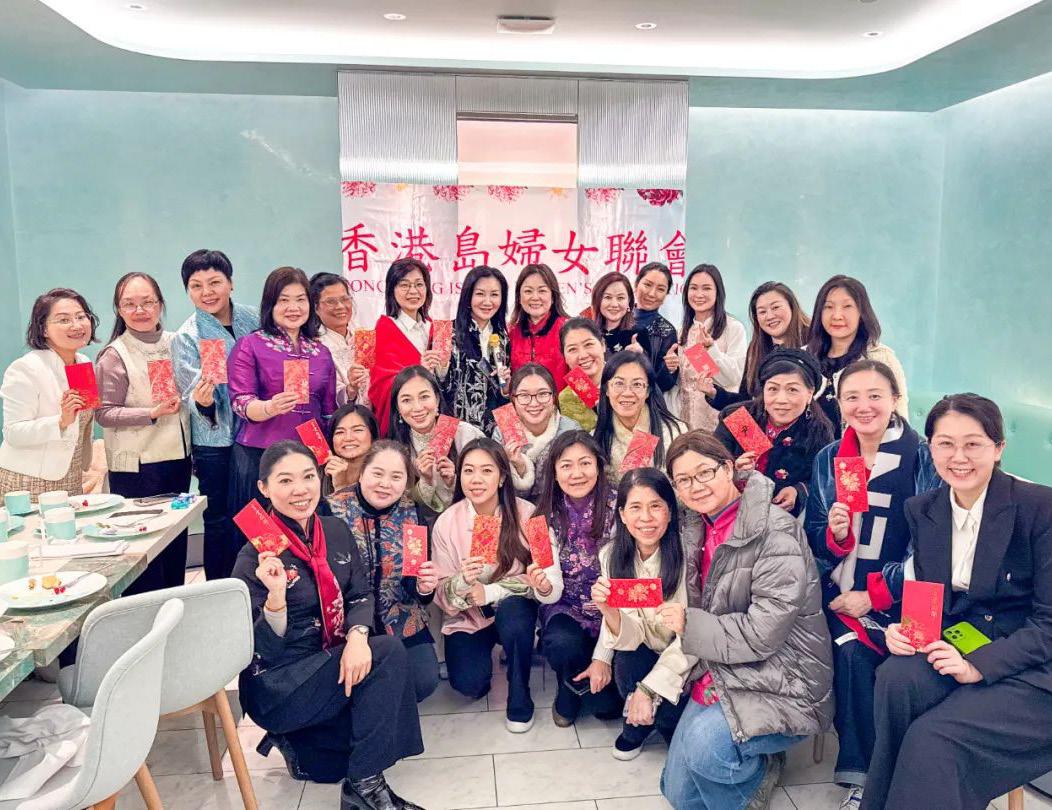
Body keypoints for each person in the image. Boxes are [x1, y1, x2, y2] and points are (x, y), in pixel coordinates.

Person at [862, 394, 1052, 810]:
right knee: (896, 679)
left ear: (998, 448)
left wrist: (978, 665)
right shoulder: (924, 509)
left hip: (1034, 664)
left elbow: (1049, 625)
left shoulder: (1041, 508)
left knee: (932, 739)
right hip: (962, 639)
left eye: (973, 444)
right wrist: (905, 630)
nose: (958, 457)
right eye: (945, 444)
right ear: (930, 448)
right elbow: (932, 599)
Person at [232, 440, 425, 810]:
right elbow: (258, 649)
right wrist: (275, 599)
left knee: (330, 763)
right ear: (263, 488)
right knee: (387, 653)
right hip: (280, 683)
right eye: (285, 481)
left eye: (308, 477)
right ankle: (364, 787)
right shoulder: (254, 557)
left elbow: (360, 593)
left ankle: (297, 740)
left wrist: (357, 637)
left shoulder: (334, 530)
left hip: (326, 662)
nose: (300, 489)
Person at [662, 432, 834, 810]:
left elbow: (762, 634)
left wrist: (690, 624)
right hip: (722, 664)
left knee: (706, 750)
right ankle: (758, 763)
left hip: (785, 676)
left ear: (728, 468)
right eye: (684, 480)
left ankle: (755, 773)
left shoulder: (775, 530)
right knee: (678, 795)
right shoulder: (697, 525)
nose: (696, 486)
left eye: (705, 472)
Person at [805, 360, 941, 807]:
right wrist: (836, 535)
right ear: (839, 404)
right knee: (850, 652)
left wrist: (875, 594)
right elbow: (814, 538)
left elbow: (932, 544)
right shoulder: (829, 458)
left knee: (895, 667)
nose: (863, 406)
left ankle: (904, 767)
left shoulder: (922, 457)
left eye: (875, 396)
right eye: (852, 397)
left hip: (908, 596)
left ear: (895, 399)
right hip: (842, 594)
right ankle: (862, 777)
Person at [432, 438, 562, 732]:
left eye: (487, 470)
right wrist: (461, 582)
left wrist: (495, 590)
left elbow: (549, 581)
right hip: (469, 617)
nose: (476, 479)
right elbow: (441, 591)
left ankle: (519, 692)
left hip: (513, 609)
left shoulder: (530, 515)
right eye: (468, 471)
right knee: (469, 685)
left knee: (515, 615)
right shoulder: (446, 523)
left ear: (502, 476)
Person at [96, 272, 191, 592]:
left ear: (160, 304)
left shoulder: (178, 342)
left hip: (177, 459)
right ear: (119, 310)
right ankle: (143, 610)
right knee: (143, 545)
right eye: (130, 304)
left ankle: (175, 603)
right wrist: (151, 413)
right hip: (137, 466)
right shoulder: (115, 354)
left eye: (147, 302)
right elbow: (104, 413)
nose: (140, 310)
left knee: (175, 538)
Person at [590, 468, 693, 760]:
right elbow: (630, 635)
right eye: (635, 507)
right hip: (643, 650)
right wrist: (609, 611)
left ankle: (654, 718)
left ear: (670, 512)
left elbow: (691, 640)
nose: (645, 518)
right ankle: (639, 722)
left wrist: (647, 690)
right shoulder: (611, 556)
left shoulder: (689, 556)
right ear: (622, 515)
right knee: (627, 661)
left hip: (685, 656)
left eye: (655, 506)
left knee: (673, 723)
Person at [327, 440, 440, 702]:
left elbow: (414, 583)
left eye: (396, 477)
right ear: (362, 472)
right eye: (377, 473)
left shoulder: (411, 514)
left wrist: (424, 587)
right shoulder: (332, 510)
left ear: (406, 481)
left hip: (399, 617)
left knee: (423, 680)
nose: (385, 484)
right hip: (345, 622)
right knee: (346, 684)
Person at [172, 249, 260, 580]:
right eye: (196, 286)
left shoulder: (254, 318)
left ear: (231, 283)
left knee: (257, 512)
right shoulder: (187, 335)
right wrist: (204, 401)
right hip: (215, 443)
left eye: (215, 282)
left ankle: (259, 584)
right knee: (220, 518)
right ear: (188, 291)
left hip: (257, 431)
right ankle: (221, 588)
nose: (207, 292)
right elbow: (190, 395)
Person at [228, 266, 337, 516]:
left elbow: (328, 411)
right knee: (262, 532)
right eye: (284, 300)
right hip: (259, 456)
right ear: (270, 305)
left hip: (309, 456)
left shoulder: (320, 352)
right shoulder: (250, 345)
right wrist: (270, 407)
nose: (293, 308)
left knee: (308, 527)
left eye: (300, 300)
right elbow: (240, 402)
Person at [536, 431, 623, 727]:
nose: (576, 474)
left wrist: (603, 657)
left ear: (598, 466)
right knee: (562, 643)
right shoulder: (541, 517)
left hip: (614, 609)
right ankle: (569, 687)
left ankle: (596, 674)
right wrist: (544, 587)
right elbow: (550, 589)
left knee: (607, 709)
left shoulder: (621, 508)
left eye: (585, 463)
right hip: (567, 606)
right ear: (554, 471)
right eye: (566, 466)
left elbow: (619, 581)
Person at [0, 289, 99, 497]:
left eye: (81, 317)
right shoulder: (26, 368)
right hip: (29, 480)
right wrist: (60, 422)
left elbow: (82, 424)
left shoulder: (83, 362)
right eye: (64, 320)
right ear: (43, 329)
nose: (76, 325)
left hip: (71, 475)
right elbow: (13, 433)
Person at [713, 348, 833, 517]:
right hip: (731, 513)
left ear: (810, 393)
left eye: (792, 390)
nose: (781, 400)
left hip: (783, 521)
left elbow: (825, 481)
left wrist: (798, 491)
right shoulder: (739, 417)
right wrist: (733, 470)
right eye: (773, 389)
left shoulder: (819, 431)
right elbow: (710, 465)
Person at [806, 275, 908, 433]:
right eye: (829, 307)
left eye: (847, 306)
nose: (837, 315)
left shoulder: (882, 358)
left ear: (862, 312)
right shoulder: (804, 358)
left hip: (864, 448)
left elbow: (899, 420)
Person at [387, 366, 488, 512]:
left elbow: (490, 482)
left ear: (437, 399)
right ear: (398, 408)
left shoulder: (466, 434)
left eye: (424, 397)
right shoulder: (396, 447)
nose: (417, 407)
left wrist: (453, 481)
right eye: (406, 400)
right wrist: (426, 480)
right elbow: (402, 506)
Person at [665, 264, 747, 431]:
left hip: (724, 423)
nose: (699, 294)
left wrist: (710, 350)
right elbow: (682, 386)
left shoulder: (733, 328)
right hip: (688, 425)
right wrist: (671, 368)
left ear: (718, 293)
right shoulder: (682, 332)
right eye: (694, 288)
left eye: (707, 288)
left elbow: (733, 378)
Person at [707, 281, 810, 411]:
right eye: (762, 312)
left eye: (775, 307)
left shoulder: (815, 342)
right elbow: (747, 401)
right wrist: (715, 394)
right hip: (762, 426)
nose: (770, 316)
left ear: (792, 306)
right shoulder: (755, 349)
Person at [368, 258, 443, 436]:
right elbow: (379, 386)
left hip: (436, 416)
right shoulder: (383, 329)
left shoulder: (435, 328)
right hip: (405, 420)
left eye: (419, 284)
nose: (413, 291)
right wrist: (419, 372)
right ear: (391, 290)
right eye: (404, 285)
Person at [438, 266, 511, 435]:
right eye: (480, 294)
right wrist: (440, 370)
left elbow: (503, 395)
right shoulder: (445, 332)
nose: (487, 302)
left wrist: (506, 388)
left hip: (493, 431)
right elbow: (436, 388)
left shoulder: (504, 338)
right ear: (468, 296)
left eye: (494, 294)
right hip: (454, 429)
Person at [593, 352, 686, 484]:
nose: (627, 393)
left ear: (648, 391)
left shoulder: (676, 432)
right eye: (619, 383)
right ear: (606, 389)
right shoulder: (596, 439)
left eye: (637, 384)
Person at [492, 364, 580, 501]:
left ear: (554, 397)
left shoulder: (570, 430)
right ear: (513, 399)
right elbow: (499, 492)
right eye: (524, 395)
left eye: (543, 394)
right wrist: (519, 468)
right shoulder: (503, 432)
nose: (534, 403)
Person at [310, 272, 370, 406]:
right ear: (316, 308)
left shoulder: (364, 334)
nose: (340, 306)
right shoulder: (314, 347)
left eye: (345, 299)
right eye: (331, 302)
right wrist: (351, 388)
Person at [508, 263, 569, 391]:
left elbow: (583, 377)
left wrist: (593, 401)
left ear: (553, 296)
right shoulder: (511, 332)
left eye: (542, 291)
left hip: (561, 403)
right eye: (528, 291)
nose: (535, 297)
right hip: (522, 403)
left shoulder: (569, 330)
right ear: (519, 297)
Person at [632, 263, 678, 393]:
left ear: (666, 295)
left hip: (643, 402)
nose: (652, 294)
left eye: (661, 289)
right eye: (647, 285)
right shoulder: (616, 316)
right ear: (636, 285)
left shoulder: (667, 331)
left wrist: (668, 368)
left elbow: (665, 385)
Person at [557, 318, 607, 432]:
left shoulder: (626, 380)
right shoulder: (566, 398)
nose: (583, 355)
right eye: (572, 349)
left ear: (603, 344)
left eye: (588, 344)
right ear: (564, 357)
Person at [590, 273, 650, 356]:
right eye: (608, 297)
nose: (614, 304)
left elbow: (649, 363)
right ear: (597, 300)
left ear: (629, 301)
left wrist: (640, 355)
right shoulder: (588, 332)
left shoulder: (638, 333)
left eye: (620, 298)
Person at [325, 404, 379, 494]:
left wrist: (341, 487)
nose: (348, 438)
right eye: (340, 432)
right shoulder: (317, 474)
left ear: (372, 435)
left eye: (357, 430)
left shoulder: (385, 474)